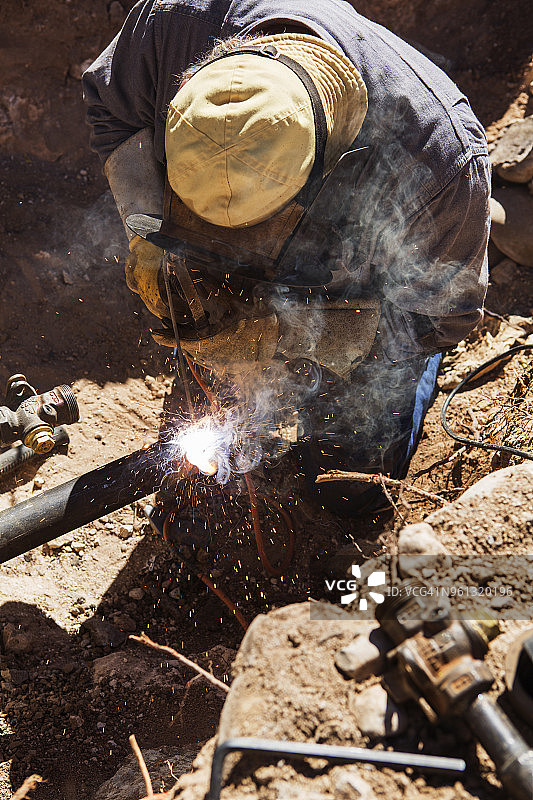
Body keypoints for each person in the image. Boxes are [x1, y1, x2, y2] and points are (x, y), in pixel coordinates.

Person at [82, 0, 490, 514]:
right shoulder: (171, 26)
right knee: (194, 474)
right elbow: (112, 112)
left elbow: (441, 318)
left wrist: (298, 335)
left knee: (345, 486)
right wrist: (145, 228)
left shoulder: (441, 163)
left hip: (359, 294)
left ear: (324, 162)